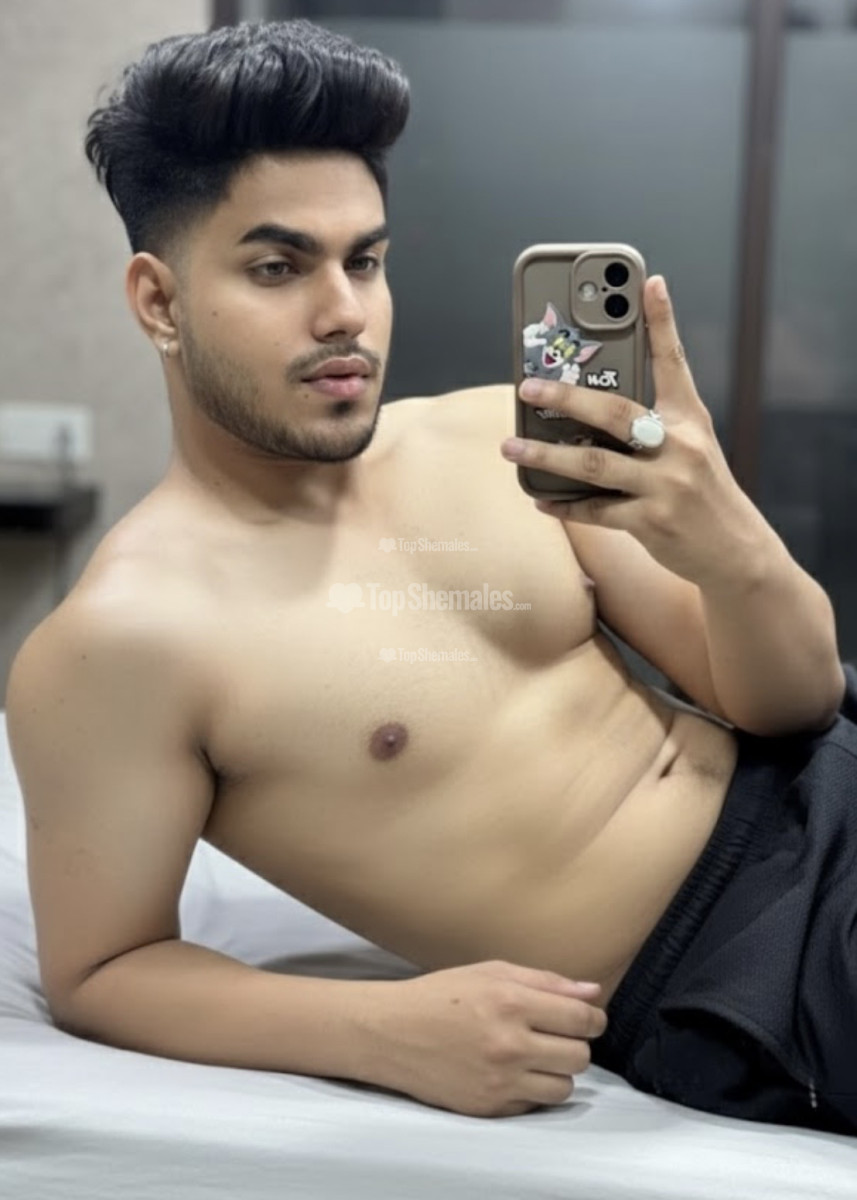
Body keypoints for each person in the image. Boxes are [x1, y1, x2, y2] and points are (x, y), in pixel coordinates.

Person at [5, 19, 855, 1135]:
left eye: (364, 260)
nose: (344, 313)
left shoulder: (494, 440)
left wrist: (728, 547)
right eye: (277, 267)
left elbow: (792, 704)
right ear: (159, 302)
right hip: (748, 960)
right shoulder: (119, 642)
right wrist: (380, 1029)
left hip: (827, 782)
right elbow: (100, 968)